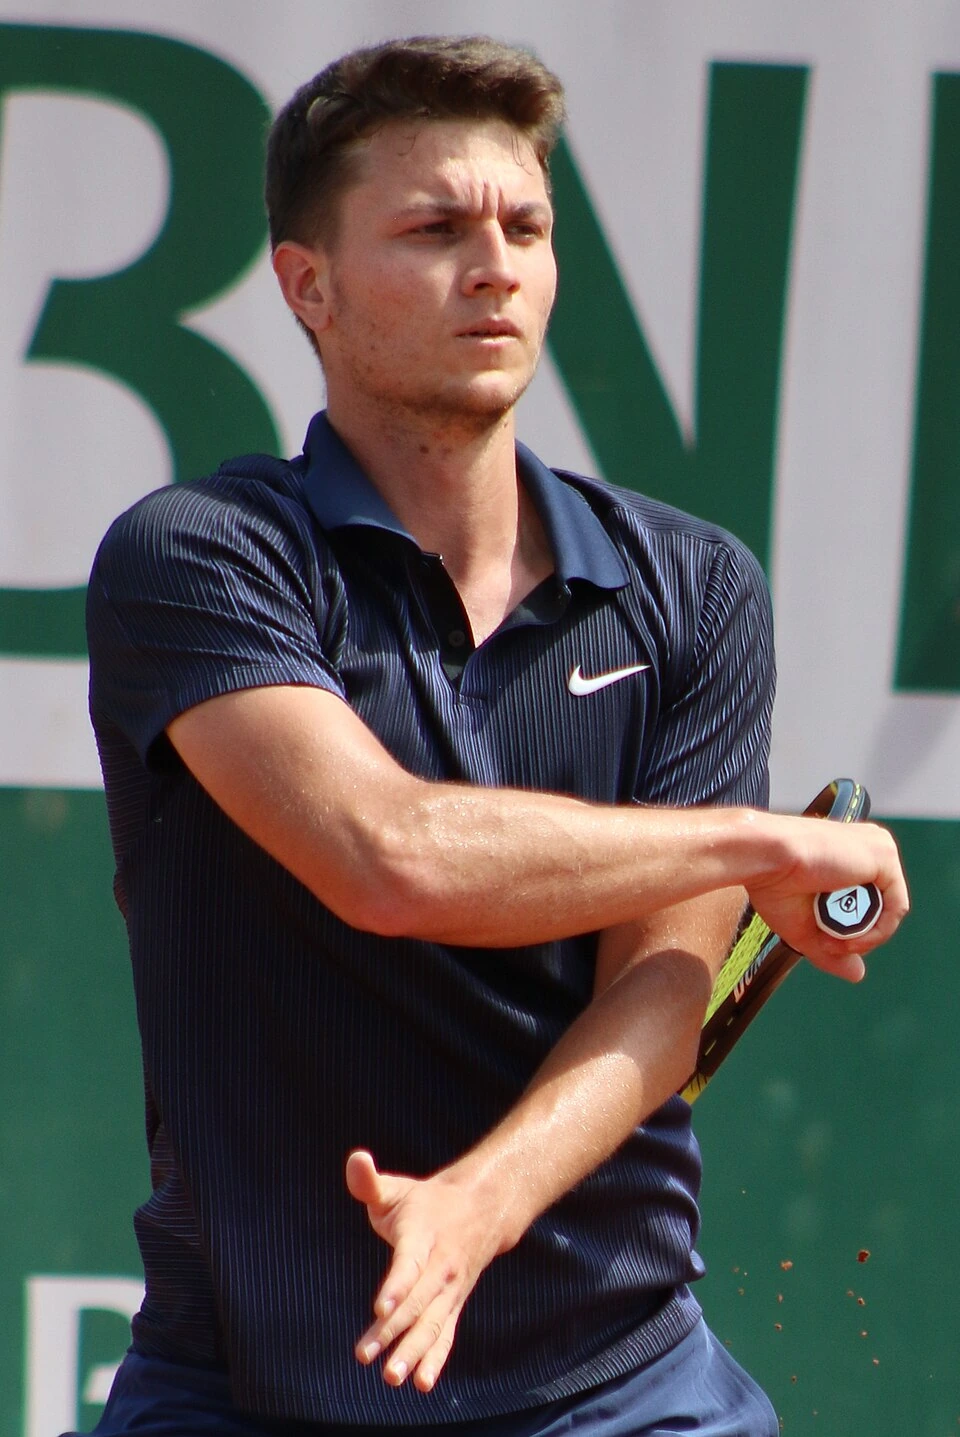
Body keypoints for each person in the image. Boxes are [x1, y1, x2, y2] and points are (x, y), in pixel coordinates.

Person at [77, 33, 907, 1437]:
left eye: (526, 225)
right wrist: (760, 839)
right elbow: (385, 857)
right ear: (308, 286)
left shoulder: (694, 590)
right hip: (248, 1384)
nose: (496, 264)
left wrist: (479, 1203)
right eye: (435, 228)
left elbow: (659, 991)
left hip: (621, 1381)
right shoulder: (199, 557)